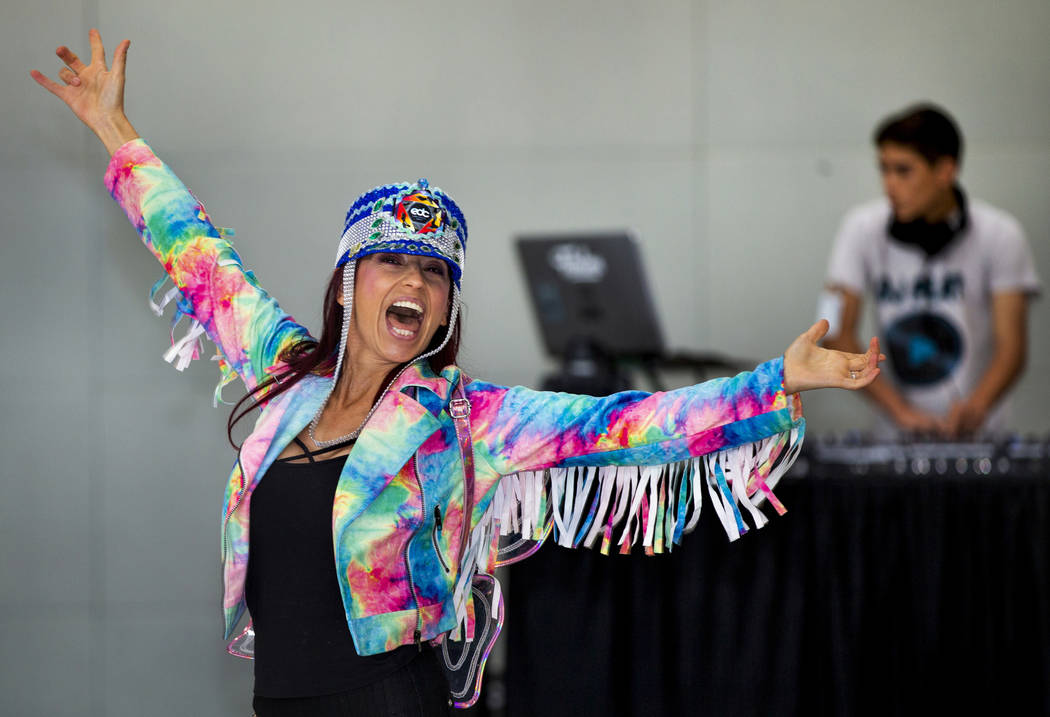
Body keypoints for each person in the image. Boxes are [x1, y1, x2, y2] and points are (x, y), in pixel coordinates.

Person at [31, 30, 883, 717]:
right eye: (391, 262)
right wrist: (114, 127)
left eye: (433, 272)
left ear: (443, 311)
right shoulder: (288, 376)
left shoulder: (464, 417)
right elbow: (197, 255)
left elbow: (630, 423)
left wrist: (775, 381)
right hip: (277, 699)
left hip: (390, 702)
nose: (412, 280)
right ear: (347, 282)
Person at [822, 104, 1040, 437]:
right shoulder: (859, 229)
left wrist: (976, 408)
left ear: (945, 170)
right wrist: (902, 413)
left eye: (903, 171)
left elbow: (1012, 348)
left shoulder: (1001, 234)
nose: (889, 185)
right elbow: (835, 332)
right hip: (893, 437)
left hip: (981, 440)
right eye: (884, 169)